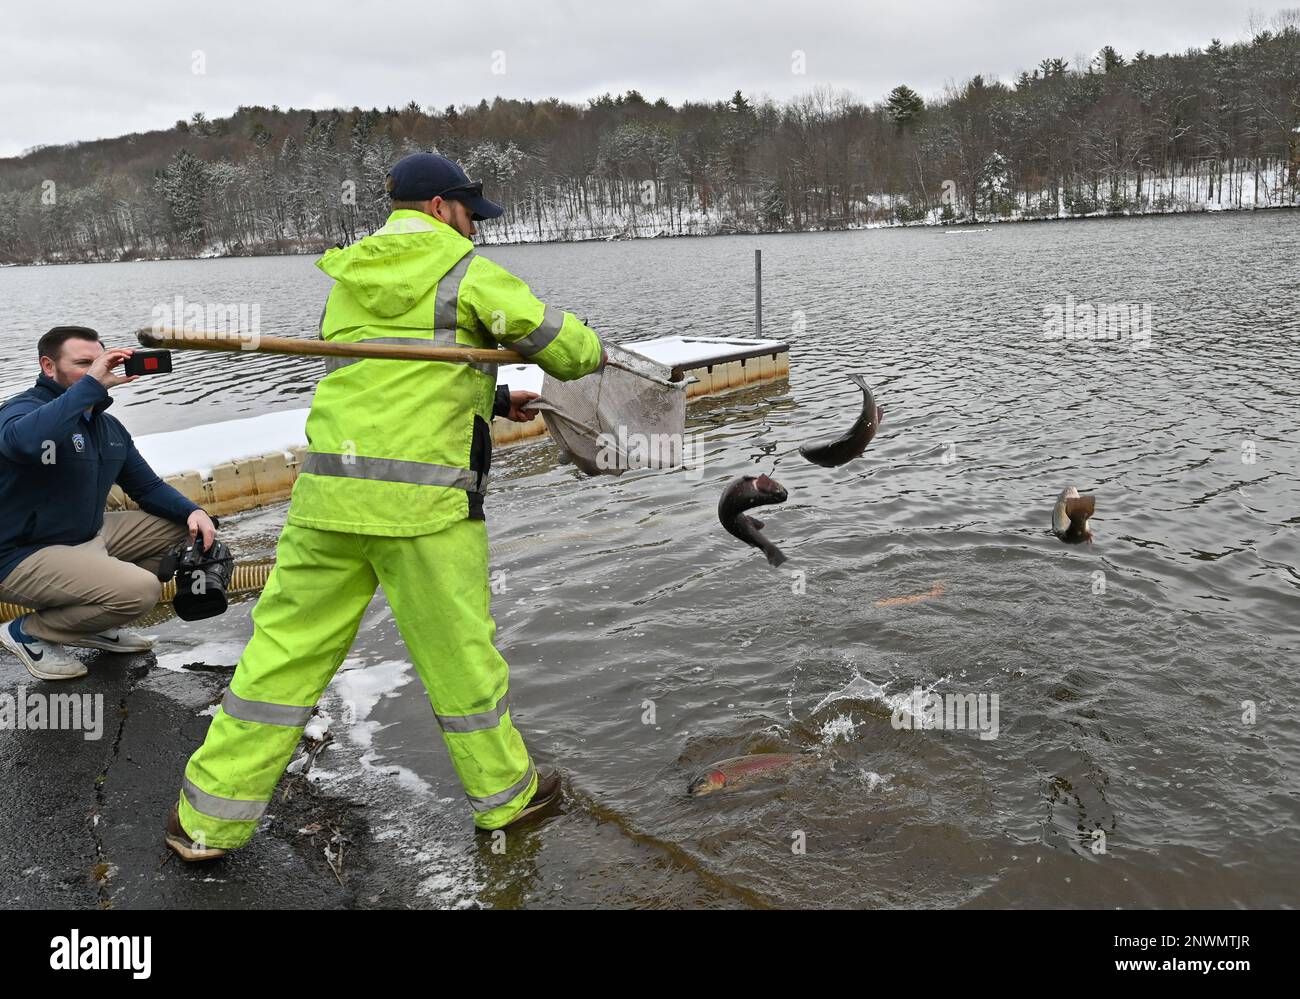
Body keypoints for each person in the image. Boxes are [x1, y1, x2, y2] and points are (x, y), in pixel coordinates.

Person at [167, 152, 606, 861]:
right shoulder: (464, 270)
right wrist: (583, 342)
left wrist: (491, 398)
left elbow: (387, 378)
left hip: (328, 500)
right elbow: (572, 350)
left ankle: (204, 823)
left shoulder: (348, 281)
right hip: (424, 510)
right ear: (438, 207)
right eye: (469, 214)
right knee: (462, 662)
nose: (474, 229)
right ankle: (506, 799)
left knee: (277, 663)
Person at [0, 326, 218, 680]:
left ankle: (95, 623)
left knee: (184, 531)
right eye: (83, 363)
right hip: (19, 554)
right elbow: (24, 443)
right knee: (140, 591)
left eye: (98, 362)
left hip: (84, 537)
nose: (95, 370)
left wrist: (195, 512)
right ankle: (28, 632)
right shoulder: (21, 411)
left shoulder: (107, 428)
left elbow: (146, 487)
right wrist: (91, 387)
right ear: (48, 366)